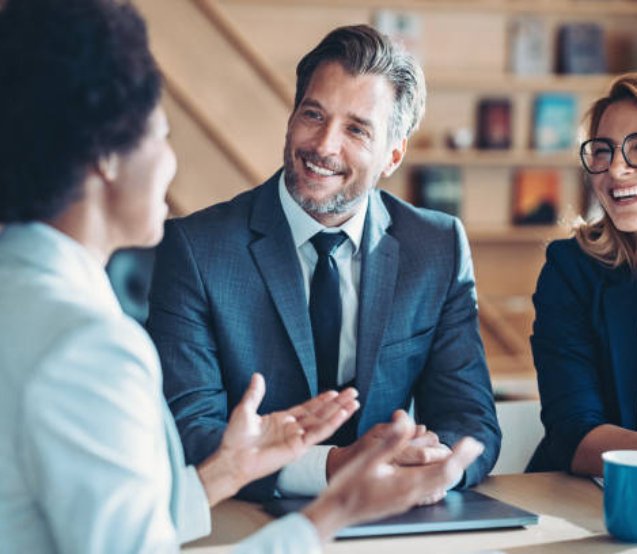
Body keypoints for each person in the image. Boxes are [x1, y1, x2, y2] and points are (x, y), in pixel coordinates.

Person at [0, 1, 484, 552]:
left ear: (393, 153)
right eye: (162, 134)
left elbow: (117, 522)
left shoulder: (21, 292)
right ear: (106, 157)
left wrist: (229, 470)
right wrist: (338, 506)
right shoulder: (90, 347)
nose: (170, 162)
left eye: (355, 128)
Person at [148, 24, 500, 501]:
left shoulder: (437, 246)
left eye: (356, 129)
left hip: (396, 519)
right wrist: (334, 467)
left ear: (392, 155)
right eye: (313, 115)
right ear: (291, 117)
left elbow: (470, 418)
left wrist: (431, 465)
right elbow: (188, 430)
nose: (324, 145)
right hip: (244, 519)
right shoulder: (196, 249)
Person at [528, 73, 637, 476]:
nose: (616, 170)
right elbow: (573, 432)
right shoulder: (570, 269)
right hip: (586, 500)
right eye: (603, 151)